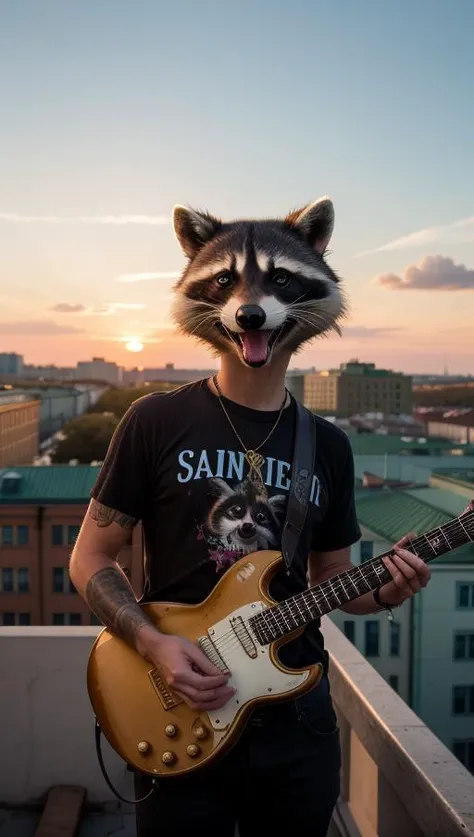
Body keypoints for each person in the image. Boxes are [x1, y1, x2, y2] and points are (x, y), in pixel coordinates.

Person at [70, 197, 431, 837]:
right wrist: (153, 643)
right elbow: (91, 557)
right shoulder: (155, 422)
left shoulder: (329, 446)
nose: (252, 302)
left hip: (297, 721)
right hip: (181, 702)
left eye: (281, 282)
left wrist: (386, 589)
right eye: (225, 283)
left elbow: (335, 581)